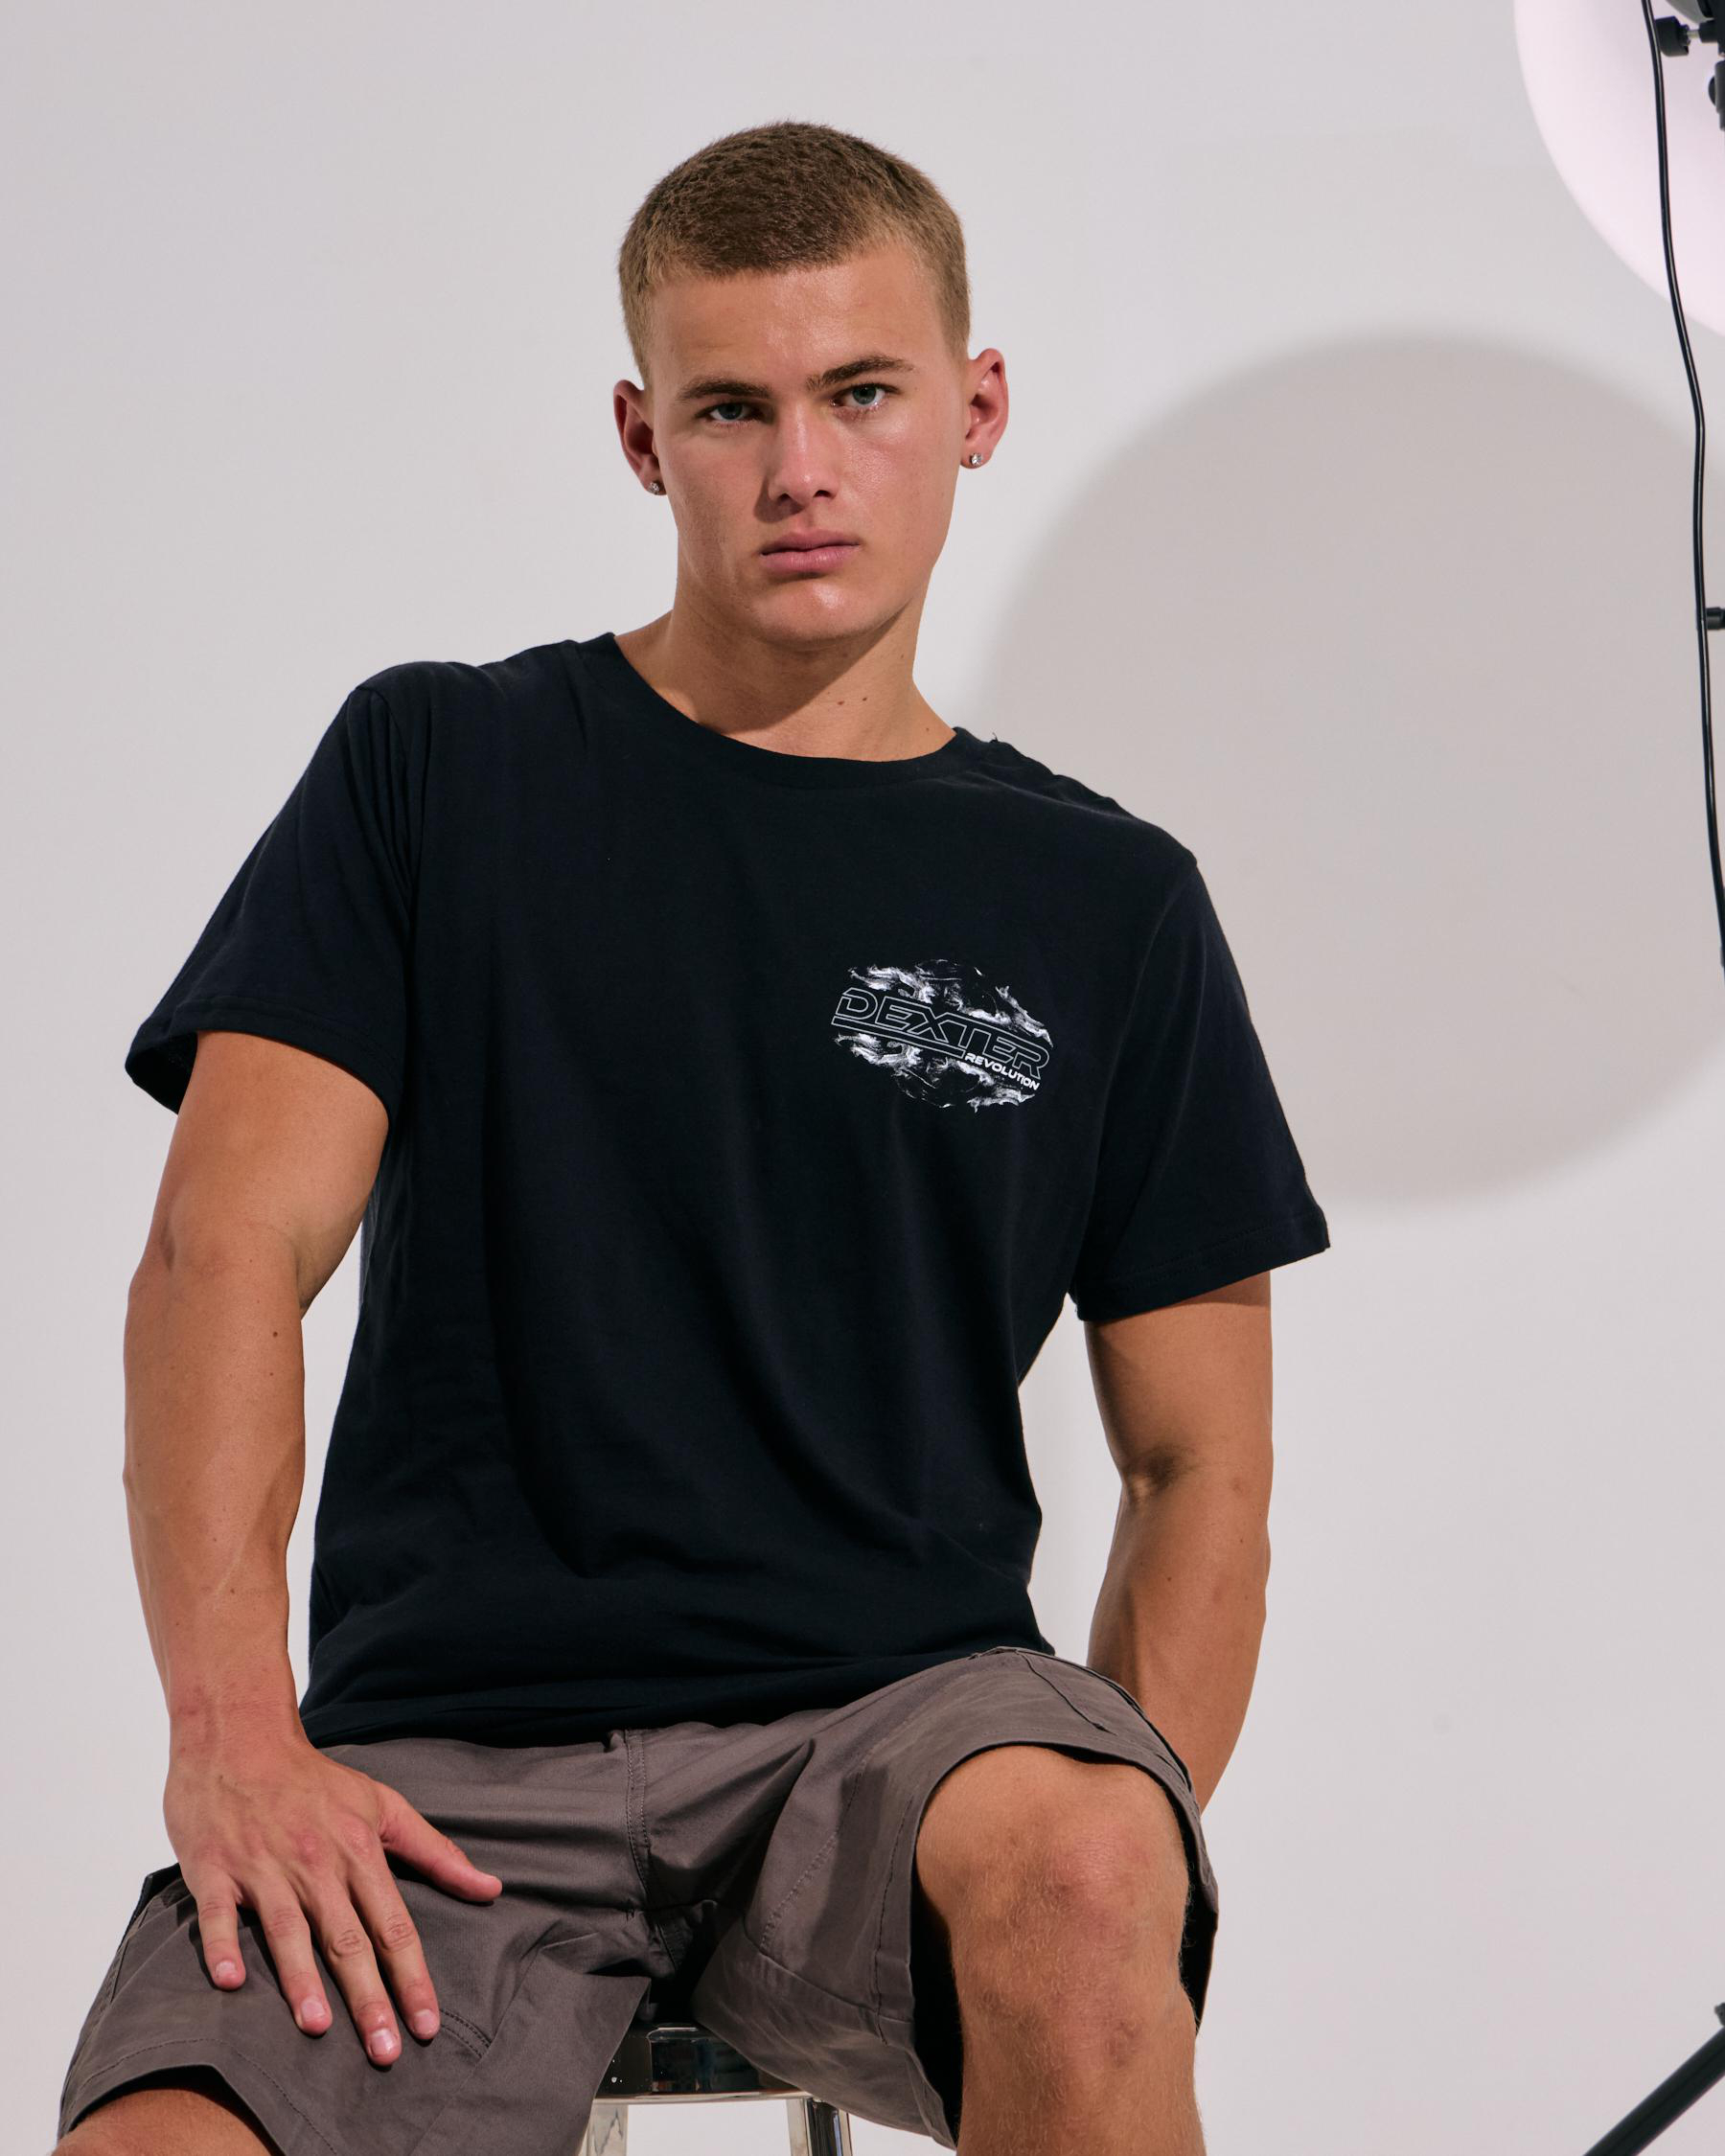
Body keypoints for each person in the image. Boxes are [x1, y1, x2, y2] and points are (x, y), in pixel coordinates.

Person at [52, 118, 1329, 2156]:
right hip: (447, 1764)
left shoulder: (1110, 901)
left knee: (1093, 1862)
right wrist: (233, 1738)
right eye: (733, 408)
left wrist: (1120, 1851)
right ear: (644, 438)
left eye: (863, 394)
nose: (801, 469)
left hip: (901, 1739)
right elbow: (226, 1254)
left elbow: (1205, 1464)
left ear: (977, 408)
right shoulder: (441, 769)